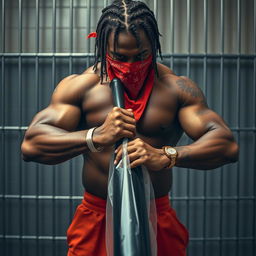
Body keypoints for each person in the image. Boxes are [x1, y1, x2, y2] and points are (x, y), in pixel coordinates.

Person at [21, 0, 239, 255]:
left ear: (154, 46)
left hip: (156, 212)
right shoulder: (81, 87)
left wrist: (167, 155)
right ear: (103, 47)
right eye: (120, 57)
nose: (131, 65)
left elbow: (227, 145)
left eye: (141, 56)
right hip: (97, 214)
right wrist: (95, 136)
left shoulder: (175, 89)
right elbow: (32, 145)